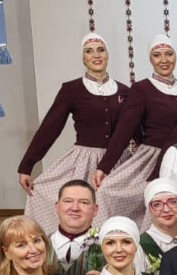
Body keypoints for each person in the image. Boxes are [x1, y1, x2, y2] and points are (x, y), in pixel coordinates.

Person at [20, 33, 129, 233]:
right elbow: (50, 128)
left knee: (112, 204)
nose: (96, 55)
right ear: (83, 58)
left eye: (101, 50)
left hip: (118, 161)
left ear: (107, 55)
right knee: (69, 199)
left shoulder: (124, 90)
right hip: (84, 160)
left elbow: (132, 129)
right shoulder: (72, 89)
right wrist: (27, 165)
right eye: (89, 51)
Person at [93, 35, 177, 194]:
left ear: (175, 56)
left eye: (169, 54)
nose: (164, 60)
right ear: (150, 59)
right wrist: (104, 167)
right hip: (153, 158)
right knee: (110, 193)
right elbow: (125, 130)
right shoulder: (142, 89)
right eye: (157, 55)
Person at [137, 177, 177, 275]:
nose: (166, 209)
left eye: (172, 202)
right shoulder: (139, 247)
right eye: (157, 204)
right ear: (149, 209)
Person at [48, 179, 100, 275]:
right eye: (68, 201)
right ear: (57, 206)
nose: (75, 208)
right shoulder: (39, 246)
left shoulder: (108, 247)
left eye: (84, 202)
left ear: (95, 210)